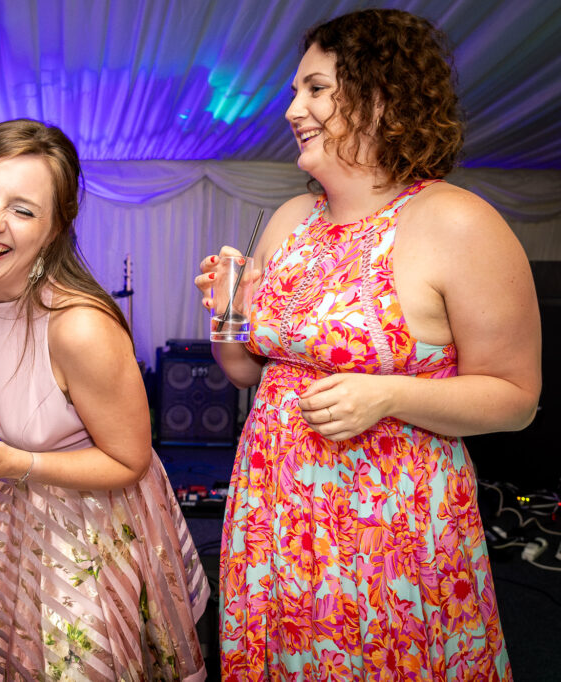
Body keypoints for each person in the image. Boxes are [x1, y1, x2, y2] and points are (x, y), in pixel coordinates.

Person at [194, 9, 540, 680]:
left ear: (381, 96)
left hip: (391, 529)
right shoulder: (293, 220)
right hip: (275, 509)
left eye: (316, 89)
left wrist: (386, 395)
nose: (293, 108)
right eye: (296, 91)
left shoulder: (457, 222)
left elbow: (517, 399)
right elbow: (243, 372)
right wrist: (227, 315)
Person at [0, 119, 209, 681]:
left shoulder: (80, 328)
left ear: (55, 230)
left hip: (93, 513)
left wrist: (18, 461)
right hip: (15, 504)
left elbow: (130, 460)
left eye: (23, 210)